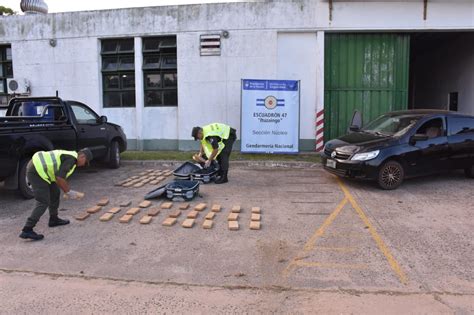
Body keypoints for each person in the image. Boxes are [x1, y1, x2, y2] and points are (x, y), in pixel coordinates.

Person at [19, 148, 93, 241]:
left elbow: (59, 177)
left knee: (55, 192)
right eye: (85, 162)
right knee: (43, 201)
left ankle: (53, 219)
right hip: (36, 171)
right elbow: (60, 178)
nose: (84, 165)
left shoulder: (71, 157)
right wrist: (68, 192)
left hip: (44, 171)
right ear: (82, 156)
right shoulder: (71, 159)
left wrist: (66, 190)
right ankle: (27, 229)